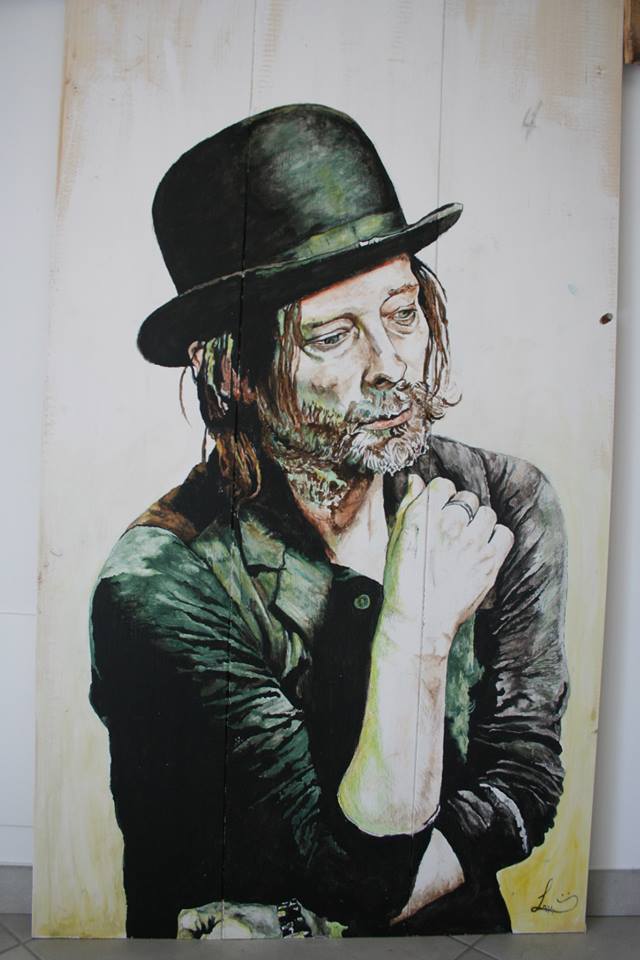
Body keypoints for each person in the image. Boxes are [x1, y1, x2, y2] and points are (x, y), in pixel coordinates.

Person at [89, 104, 569, 940]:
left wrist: (369, 900)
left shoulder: (503, 498)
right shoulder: (162, 586)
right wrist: (415, 634)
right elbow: (348, 873)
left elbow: (524, 778)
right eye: (332, 336)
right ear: (230, 369)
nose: (391, 366)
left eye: (402, 312)